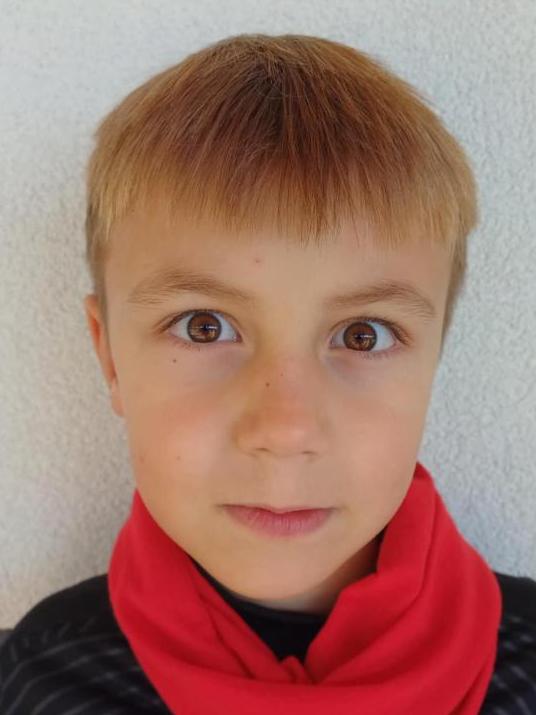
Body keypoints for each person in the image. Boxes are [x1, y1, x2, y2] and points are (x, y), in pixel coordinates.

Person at [1, 32, 534, 715]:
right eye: (204, 326)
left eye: (363, 335)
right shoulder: (44, 675)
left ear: (434, 359)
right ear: (109, 356)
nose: (286, 430)